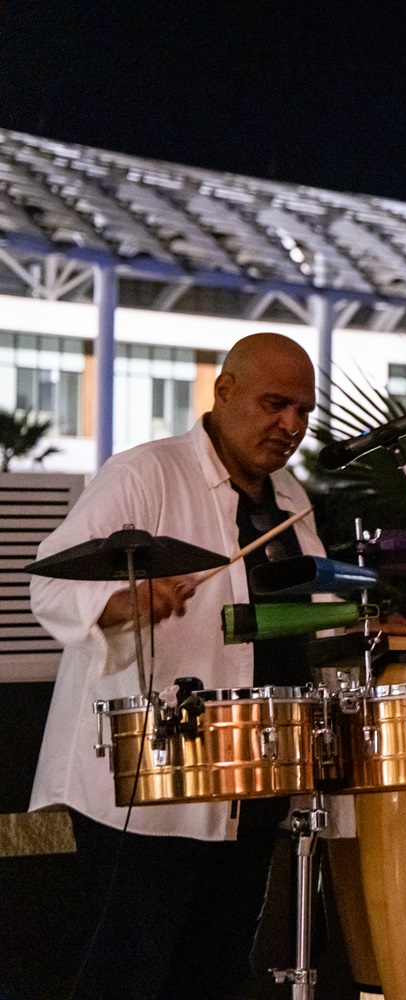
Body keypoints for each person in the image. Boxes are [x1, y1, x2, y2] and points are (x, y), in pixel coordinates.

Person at [30, 332, 324, 1000]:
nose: (291, 425)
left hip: (251, 782)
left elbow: (308, 614)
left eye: (303, 411)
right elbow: (49, 583)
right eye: (275, 404)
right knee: (123, 980)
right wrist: (121, 602)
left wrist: (368, 622)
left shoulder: (291, 502)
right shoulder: (145, 473)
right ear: (223, 391)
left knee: (213, 977)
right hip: (143, 787)